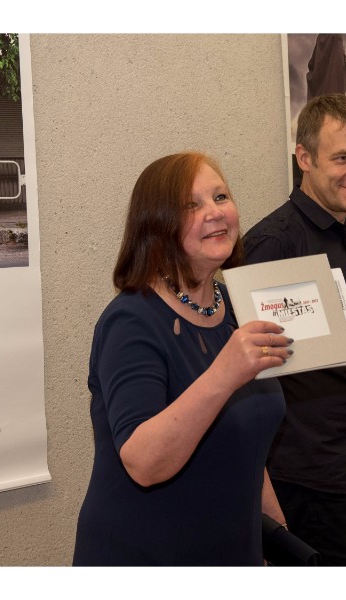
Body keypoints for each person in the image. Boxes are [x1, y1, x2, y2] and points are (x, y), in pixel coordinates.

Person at [73, 152, 293, 566]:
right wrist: (224, 374)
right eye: (192, 205)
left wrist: (277, 536)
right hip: (144, 557)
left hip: (232, 551)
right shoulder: (131, 320)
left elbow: (246, 440)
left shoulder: (239, 307)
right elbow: (144, 463)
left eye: (221, 197)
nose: (215, 212)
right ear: (157, 225)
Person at [242, 94, 346, 566]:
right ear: (304, 158)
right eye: (342, 157)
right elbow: (246, 375)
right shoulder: (275, 245)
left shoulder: (341, 233)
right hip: (309, 482)